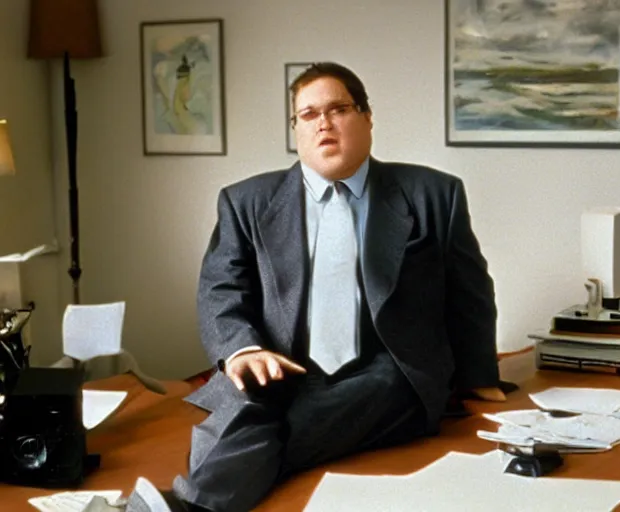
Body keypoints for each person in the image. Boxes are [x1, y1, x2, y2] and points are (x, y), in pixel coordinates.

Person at [127, 62, 505, 512]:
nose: (323, 122)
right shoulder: (246, 202)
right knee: (253, 396)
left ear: (366, 117)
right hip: (283, 365)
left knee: (378, 383)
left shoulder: (433, 194)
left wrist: (480, 377)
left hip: (386, 371)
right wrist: (243, 350)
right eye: (308, 115)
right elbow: (221, 290)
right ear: (296, 129)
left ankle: (189, 506)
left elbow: (470, 294)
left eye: (338, 109)